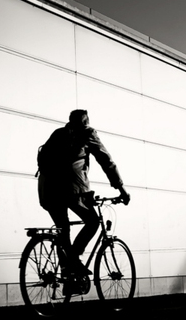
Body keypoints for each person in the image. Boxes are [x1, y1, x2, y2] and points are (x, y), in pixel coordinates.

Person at [37, 110, 130, 278]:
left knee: (62, 230)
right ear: (86, 121)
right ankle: (73, 258)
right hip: (71, 189)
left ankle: (67, 270)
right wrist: (121, 188)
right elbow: (106, 160)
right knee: (93, 222)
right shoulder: (88, 133)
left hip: (47, 190)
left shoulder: (58, 133)